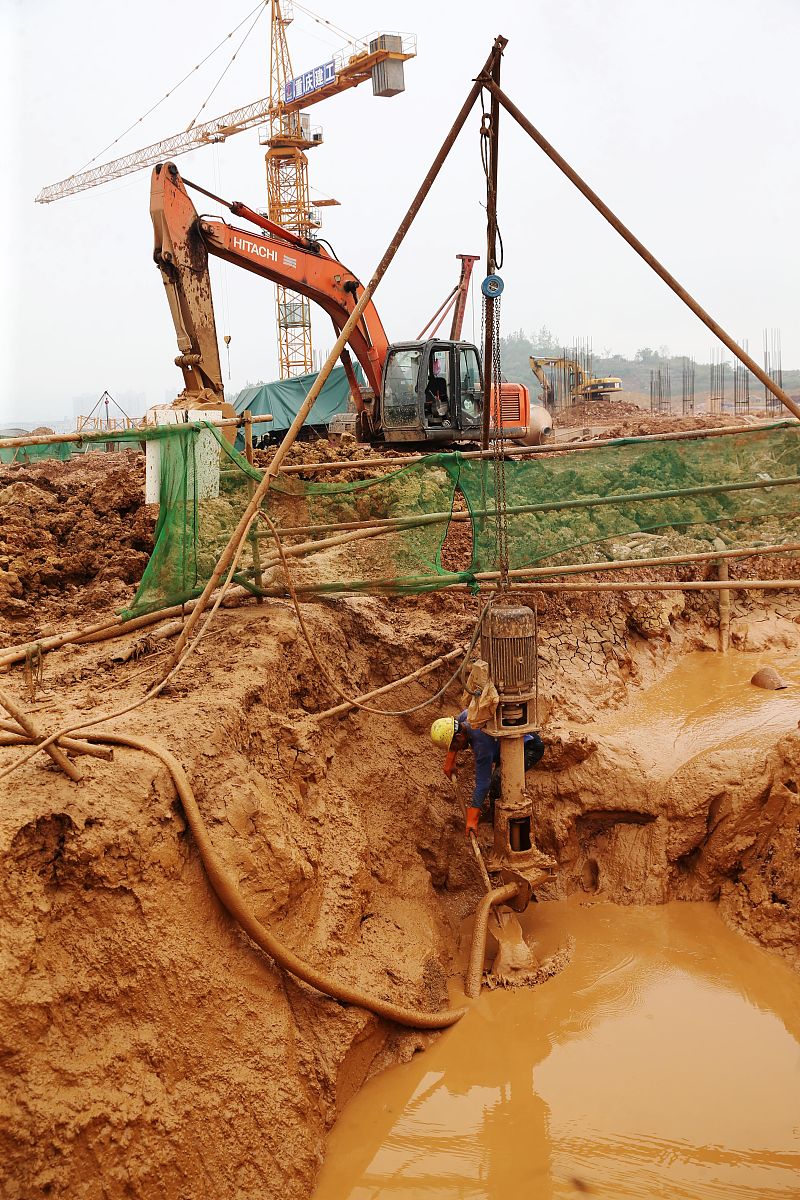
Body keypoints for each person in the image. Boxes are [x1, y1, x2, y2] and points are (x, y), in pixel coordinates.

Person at [430, 712, 544, 836]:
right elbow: (455, 725)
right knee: (498, 775)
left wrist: (472, 817)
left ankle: (500, 827)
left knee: (498, 780)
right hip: (509, 741)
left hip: (529, 747)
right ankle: (494, 815)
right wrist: (450, 761)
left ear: (458, 737)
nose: (458, 749)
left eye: (455, 747)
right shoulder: (468, 717)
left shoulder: (482, 745)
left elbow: (483, 784)